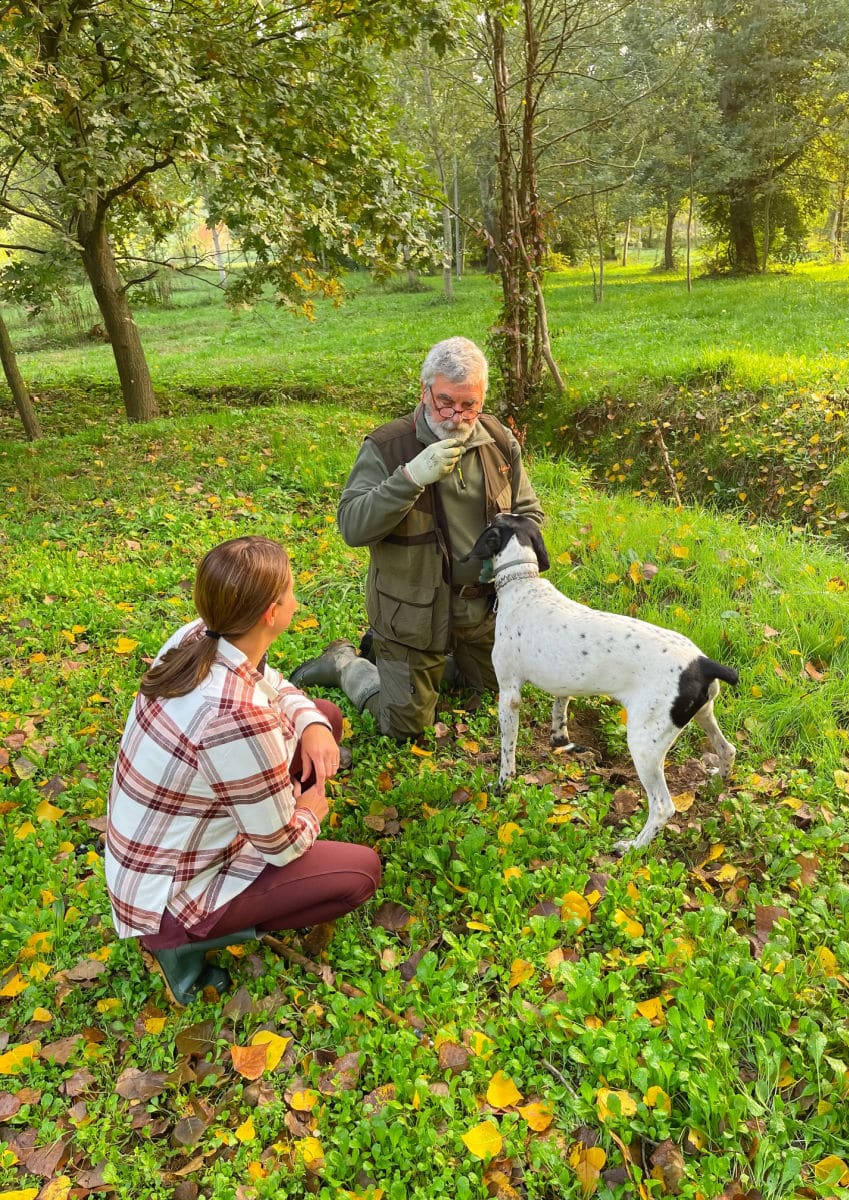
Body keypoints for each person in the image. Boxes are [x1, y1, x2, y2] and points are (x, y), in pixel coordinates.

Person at [105, 536, 381, 1006]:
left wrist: (312, 724)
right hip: (170, 898)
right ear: (271, 613)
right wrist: (309, 809)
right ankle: (181, 950)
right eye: (291, 590)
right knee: (361, 873)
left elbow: (270, 681)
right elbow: (279, 845)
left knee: (325, 716)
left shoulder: (201, 634)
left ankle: (285, 783)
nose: (298, 597)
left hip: (152, 855)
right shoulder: (237, 719)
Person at [291, 337, 545, 740]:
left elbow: (530, 514)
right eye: (445, 401)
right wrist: (409, 479)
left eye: (469, 405)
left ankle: (404, 660)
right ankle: (346, 664)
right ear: (424, 391)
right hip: (412, 615)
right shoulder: (388, 446)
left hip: (481, 613)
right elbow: (353, 527)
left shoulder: (497, 440)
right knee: (405, 727)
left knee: (498, 691)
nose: (457, 415)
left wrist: (504, 554)